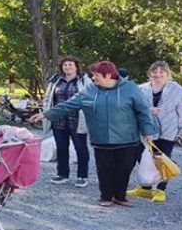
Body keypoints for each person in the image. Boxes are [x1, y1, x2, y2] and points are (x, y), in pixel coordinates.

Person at [29, 60, 156, 207]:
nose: (93, 78)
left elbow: (143, 111)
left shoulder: (131, 89)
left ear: (108, 75)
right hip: (101, 138)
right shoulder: (88, 90)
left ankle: (120, 196)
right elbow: (67, 105)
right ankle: (106, 197)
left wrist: (148, 131)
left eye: (96, 75)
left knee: (124, 168)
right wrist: (46, 114)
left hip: (127, 138)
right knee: (104, 169)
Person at [127, 61, 182, 203]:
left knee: (162, 161)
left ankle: (161, 190)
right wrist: (149, 110)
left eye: (161, 72)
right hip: (145, 132)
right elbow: (132, 108)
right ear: (149, 73)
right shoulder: (141, 89)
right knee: (142, 158)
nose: (157, 74)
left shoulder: (176, 89)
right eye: (154, 72)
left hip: (167, 132)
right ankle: (145, 188)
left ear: (167, 74)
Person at [42, 56, 93, 188]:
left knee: (80, 148)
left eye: (70, 65)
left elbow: (89, 98)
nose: (67, 67)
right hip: (59, 121)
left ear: (76, 66)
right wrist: (47, 111)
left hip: (77, 120)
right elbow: (48, 98)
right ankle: (62, 174)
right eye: (65, 65)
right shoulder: (56, 81)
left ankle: (82, 176)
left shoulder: (84, 80)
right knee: (61, 148)